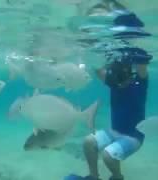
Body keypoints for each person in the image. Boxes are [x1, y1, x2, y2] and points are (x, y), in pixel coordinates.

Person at [65, 46, 152, 180]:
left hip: (134, 136)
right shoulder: (114, 82)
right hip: (114, 131)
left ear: (130, 75)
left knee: (108, 155)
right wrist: (100, 53)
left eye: (122, 81)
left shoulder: (140, 84)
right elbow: (98, 69)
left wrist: (128, 51)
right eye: (117, 82)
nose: (120, 85)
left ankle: (117, 177)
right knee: (89, 141)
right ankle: (94, 177)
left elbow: (142, 65)